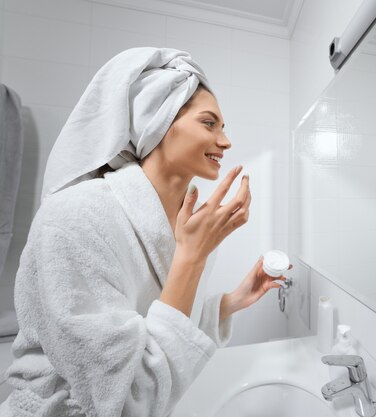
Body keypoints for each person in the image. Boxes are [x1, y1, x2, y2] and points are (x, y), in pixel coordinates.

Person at [0, 47, 285, 416]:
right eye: (209, 123)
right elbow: (125, 400)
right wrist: (191, 257)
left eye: (223, 128)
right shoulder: (74, 217)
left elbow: (158, 322)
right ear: (159, 122)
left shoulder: (187, 222)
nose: (225, 141)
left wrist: (232, 301)